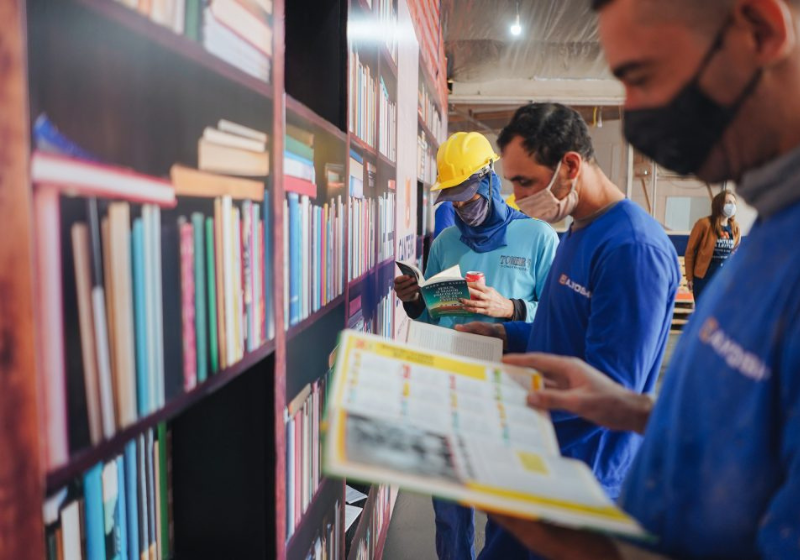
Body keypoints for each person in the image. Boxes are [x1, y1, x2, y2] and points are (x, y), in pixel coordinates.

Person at [492, 0, 800, 558]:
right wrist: (630, 409)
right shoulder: (775, 225)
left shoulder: (635, 245)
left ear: (759, 29)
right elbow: (746, 433)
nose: (633, 113)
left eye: (645, 77)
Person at [456, 103, 681, 560]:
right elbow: (564, 335)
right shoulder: (576, 228)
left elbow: (609, 392)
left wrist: (494, 430)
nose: (516, 198)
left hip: (577, 480)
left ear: (570, 166)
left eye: (525, 181)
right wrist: (505, 336)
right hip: (537, 457)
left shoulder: (632, 249)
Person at [394, 131, 559, 560]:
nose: (463, 209)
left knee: (506, 511)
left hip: (511, 392)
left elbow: (562, 320)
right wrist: (415, 299)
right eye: (454, 201)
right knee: (449, 510)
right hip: (451, 388)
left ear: (490, 181)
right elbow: (434, 317)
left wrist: (512, 308)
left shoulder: (539, 239)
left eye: (469, 197)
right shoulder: (446, 244)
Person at [685, 190, 741, 302]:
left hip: (724, 279)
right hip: (704, 278)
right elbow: (690, 251)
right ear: (719, 204)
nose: (732, 206)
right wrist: (690, 278)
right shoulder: (704, 224)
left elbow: (735, 250)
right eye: (729, 202)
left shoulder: (735, 227)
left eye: (734, 203)